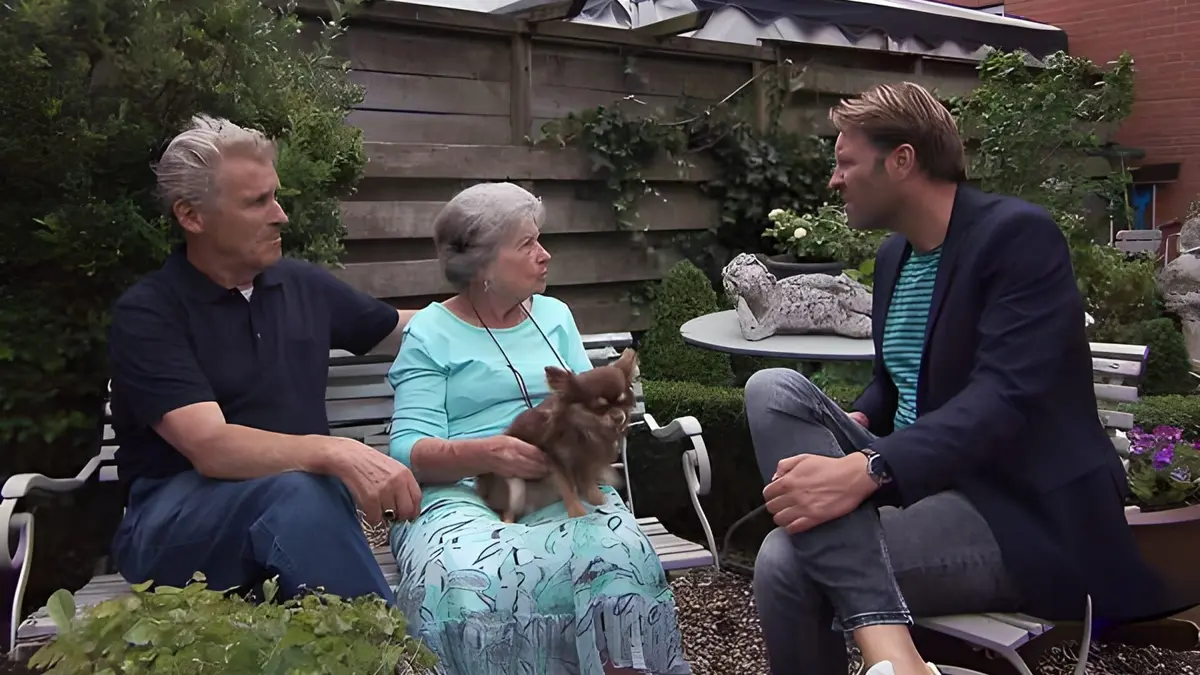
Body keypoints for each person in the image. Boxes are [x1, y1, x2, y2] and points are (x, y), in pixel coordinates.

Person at [746, 83, 1171, 675]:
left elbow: (1003, 399)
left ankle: (894, 657)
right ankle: (898, 659)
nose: (833, 180)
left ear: (902, 161)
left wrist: (869, 469)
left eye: (845, 162)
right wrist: (860, 422)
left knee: (785, 561)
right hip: (926, 485)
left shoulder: (1017, 237)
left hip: (1017, 511)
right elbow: (894, 385)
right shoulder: (897, 257)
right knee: (773, 388)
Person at [107, 114, 423, 604]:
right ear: (191, 216)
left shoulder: (299, 284)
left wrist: (499, 302)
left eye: (275, 196)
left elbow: (406, 329)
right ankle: (391, 654)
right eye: (258, 202)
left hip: (300, 515)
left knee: (306, 494)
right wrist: (337, 451)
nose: (281, 215)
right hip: (172, 526)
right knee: (301, 490)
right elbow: (212, 448)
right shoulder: (149, 313)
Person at [386, 182, 690, 675]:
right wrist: (486, 453)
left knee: (618, 554)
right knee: (467, 577)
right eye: (527, 243)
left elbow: (589, 405)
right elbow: (406, 449)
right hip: (464, 491)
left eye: (540, 239)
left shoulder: (555, 316)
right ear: (481, 263)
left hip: (561, 481)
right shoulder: (430, 332)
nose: (544, 255)